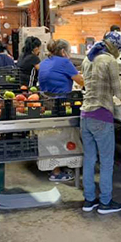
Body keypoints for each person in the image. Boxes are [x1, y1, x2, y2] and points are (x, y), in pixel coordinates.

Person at [80, 31, 121, 214]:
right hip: (101, 115)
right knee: (107, 162)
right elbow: (118, 92)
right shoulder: (110, 61)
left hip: (85, 115)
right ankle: (106, 203)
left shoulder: (88, 58)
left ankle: (89, 200)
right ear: (116, 48)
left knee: (89, 159)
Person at [38, 39, 84, 182]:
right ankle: (57, 172)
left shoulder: (44, 62)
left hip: (46, 104)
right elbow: (81, 82)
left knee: (50, 139)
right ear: (64, 51)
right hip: (62, 106)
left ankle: (56, 167)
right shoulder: (64, 62)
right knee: (63, 138)